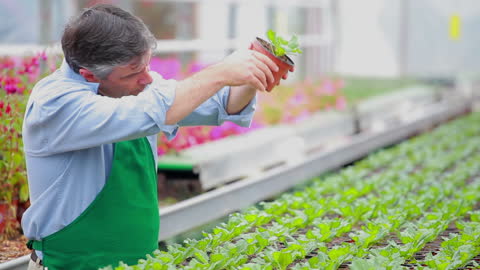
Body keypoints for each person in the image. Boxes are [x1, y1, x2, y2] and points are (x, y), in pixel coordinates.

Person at [22, 4, 292, 270]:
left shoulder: (130, 87)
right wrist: (221, 72)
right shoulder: (55, 103)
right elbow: (150, 111)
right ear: (90, 75)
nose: (148, 79)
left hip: (140, 263)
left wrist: (252, 75)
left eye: (147, 65)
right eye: (134, 72)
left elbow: (221, 103)